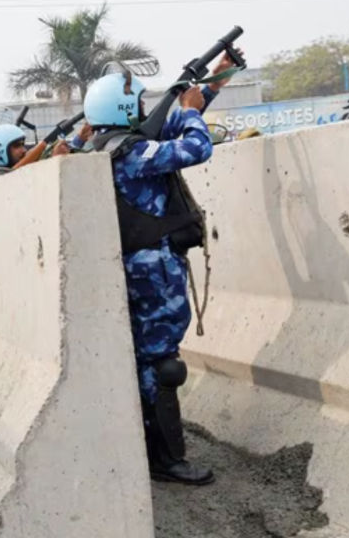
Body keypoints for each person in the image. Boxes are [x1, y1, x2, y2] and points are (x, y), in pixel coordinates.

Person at [84, 49, 242, 486]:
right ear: (120, 108)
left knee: (153, 363)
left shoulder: (106, 145)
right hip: (151, 272)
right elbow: (195, 146)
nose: (141, 109)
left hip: (145, 267)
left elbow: (169, 122)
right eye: (134, 103)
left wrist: (209, 85)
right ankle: (165, 460)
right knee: (161, 366)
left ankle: (157, 453)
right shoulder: (131, 154)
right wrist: (192, 111)